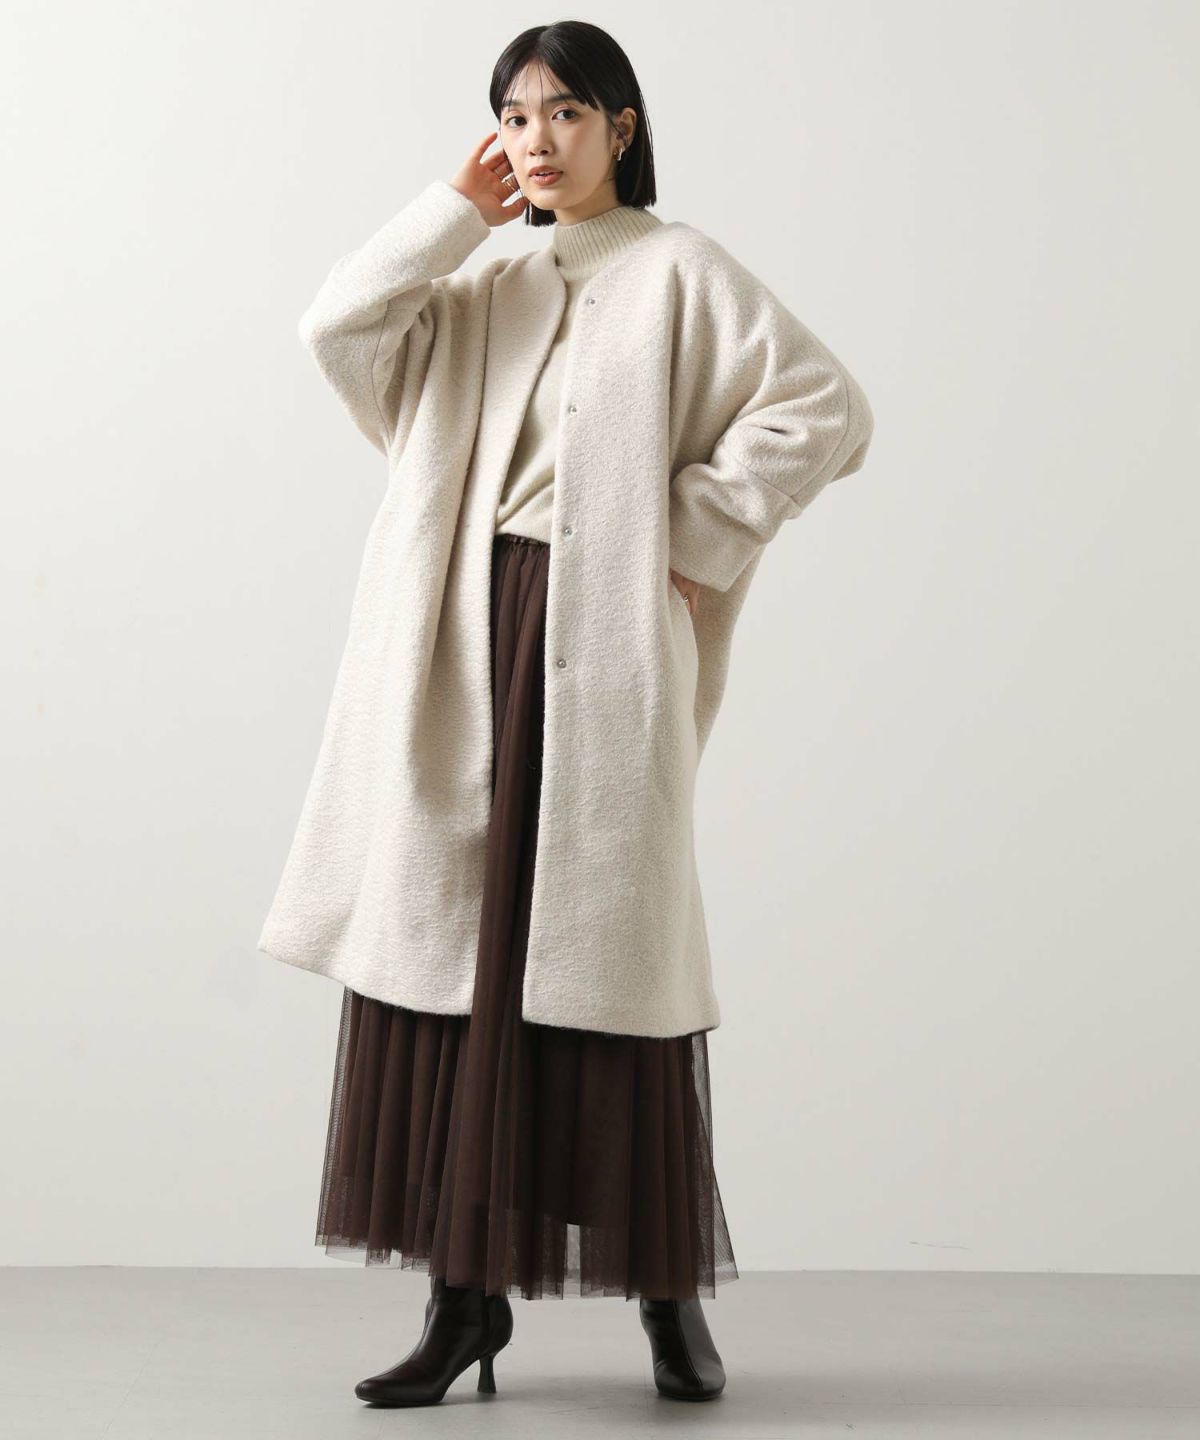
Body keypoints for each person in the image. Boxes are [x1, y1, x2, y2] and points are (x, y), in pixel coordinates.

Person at [261, 19, 874, 1409]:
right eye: (514, 115)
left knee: (610, 963)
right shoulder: (482, 283)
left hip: (594, 639)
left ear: (621, 128)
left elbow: (824, 407)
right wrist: (449, 216)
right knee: (454, 962)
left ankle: (666, 1294)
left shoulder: (679, 269)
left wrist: (695, 533)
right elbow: (335, 329)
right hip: (459, 641)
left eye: (565, 113)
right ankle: (462, 1300)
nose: (536, 140)